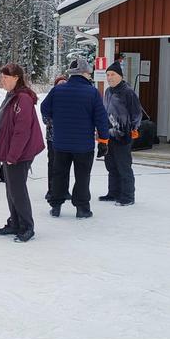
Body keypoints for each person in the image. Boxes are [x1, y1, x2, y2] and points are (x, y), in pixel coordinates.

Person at [40, 57, 109, 219]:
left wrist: (56, 119)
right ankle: (82, 208)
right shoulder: (92, 93)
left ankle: (56, 206)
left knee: (59, 174)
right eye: (89, 73)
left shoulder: (57, 90)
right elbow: (101, 119)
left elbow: (44, 108)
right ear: (84, 73)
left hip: (60, 143)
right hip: (83, 145)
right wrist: (103, 141)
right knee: (82, 176)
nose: (90, 76)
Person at [0, 63, 45, 243]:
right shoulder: (12, 96)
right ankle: (15, 223)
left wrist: (13, 155)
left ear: (16, 78)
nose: (2, 81)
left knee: (17, 190)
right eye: (2, 77)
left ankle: (27, 226)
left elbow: (22, 131)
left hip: (20, 152)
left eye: (5, 77)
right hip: (11, 150)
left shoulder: (22, 99)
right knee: (11, 189)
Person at [99, 60, 142, 206]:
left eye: (112, 74)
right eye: (108, 75)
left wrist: (132, 129)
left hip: (123, 135)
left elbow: (137, 113)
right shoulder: (108, 92)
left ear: (120, 76)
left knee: (123, 166)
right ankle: (113, 193)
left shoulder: (127, 92)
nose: (109, 77)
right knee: (111, 166)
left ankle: (128, 196)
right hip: (109, 135)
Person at [43, 75, 69, 202]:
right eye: (60, 83)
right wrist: (57, 121)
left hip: (66, 139)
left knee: (66, 165)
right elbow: (45, 118)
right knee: (53, 164)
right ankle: (51, 190)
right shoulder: (51, 98)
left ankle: (65, 190)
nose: (62, 85)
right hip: (52, 138)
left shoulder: (70, 99)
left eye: (64, 83)